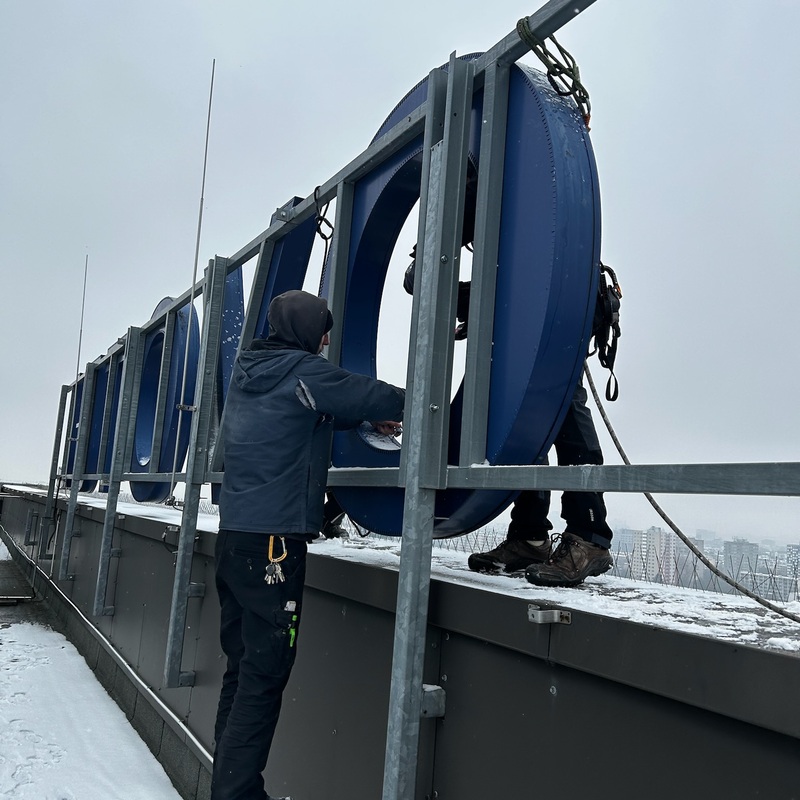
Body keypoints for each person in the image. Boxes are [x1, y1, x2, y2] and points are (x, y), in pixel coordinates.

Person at [212, 289, 405, 800]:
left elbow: (305, 410)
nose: (325, 340)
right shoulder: (304, 372)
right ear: (305, 330)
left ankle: (226, 786)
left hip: (235, 540)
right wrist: (414, 403)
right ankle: (236, 794)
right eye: (323, 329)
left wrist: (356, 420)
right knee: (265, 673)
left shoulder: (252, 371)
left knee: (244, 667)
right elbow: (367, 393)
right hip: (274, 548)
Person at [403, 235, 613, 588]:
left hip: (556, 297)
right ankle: (531, 538)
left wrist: (438, 275)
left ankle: (588, 536)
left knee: (562, 410)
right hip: (529, 295)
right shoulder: (504, 206)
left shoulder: (502, 191)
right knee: (526, 423)